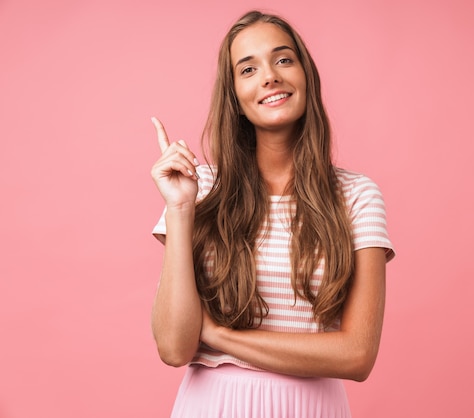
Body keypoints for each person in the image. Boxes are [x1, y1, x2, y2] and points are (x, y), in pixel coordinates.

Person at [150, 10, 395, 418]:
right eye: (248, 69)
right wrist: (179, 208)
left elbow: (357, 355)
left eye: (283, 59)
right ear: (235, 97)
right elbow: (175, 347)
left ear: (305, 76)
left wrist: (215, 336)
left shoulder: (356, 196)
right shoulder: (200, 188)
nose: (270, 76)